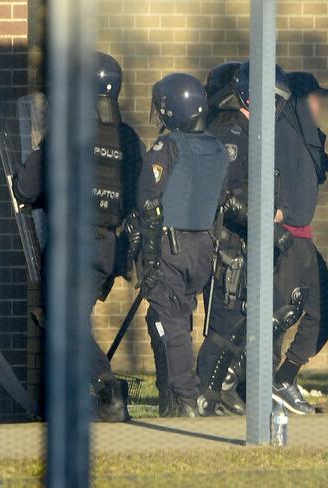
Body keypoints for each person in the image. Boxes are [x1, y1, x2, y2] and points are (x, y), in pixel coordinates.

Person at [13, 52, 143, 421]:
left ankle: (108, 389)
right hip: (108, 246)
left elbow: (26, 187)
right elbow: (137, 194)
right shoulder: (128, 139)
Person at [196, 62, 296, 416]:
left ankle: (229, 388)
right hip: (230, 245)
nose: (272, 109)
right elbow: (225, 196)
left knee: (256, 317)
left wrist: (277, 213)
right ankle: (205, 393)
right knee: (225, 323)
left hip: (249, 242)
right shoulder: (230, 132)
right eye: (267, 99)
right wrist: (269, 228)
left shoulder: (249, 132)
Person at [137, 73, 228, 417]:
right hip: (203, 247)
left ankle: (185, 399)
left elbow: (148, 202)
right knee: (170, 319)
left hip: (170, 246)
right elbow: (219, 197)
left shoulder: (168, 147)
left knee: (169, 322)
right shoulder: (217, 148)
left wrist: (147, 260)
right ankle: (171, 399)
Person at [271, 71, 328, 414]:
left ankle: (283, 377)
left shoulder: (306, 135)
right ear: (298, 100)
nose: (319, 104)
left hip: (305, 238)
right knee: (277, 317)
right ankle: (261, 388)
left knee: (325, 309)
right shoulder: (280, 132)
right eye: (314, 97)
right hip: (285, 241)